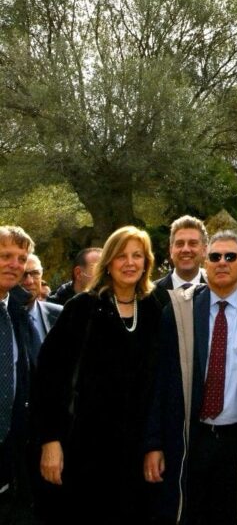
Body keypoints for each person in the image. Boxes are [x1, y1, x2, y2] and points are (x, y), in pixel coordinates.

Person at [35, 225, 162, 525]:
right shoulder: (82, 309)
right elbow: (48, 378)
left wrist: (155, 443)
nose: (130, 263)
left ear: (147, 262)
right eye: (121, 256)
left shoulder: (155, 310)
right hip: (84, 448)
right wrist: (49, 440)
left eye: (137, 256)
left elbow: (160, 384)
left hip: (135, 451)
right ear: (108, 261)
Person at [145, 229, 237, 525]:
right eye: (214, 256)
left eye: (230, 256)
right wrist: (153, 443)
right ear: (205, 262)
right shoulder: (179, 311)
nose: (222, 262)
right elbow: (161, 382)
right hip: (190, 439)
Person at [0, 225, 36, 525]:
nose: (15, 264)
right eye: (6, 255)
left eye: (22, 258)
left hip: (10, 453)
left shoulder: (17, 312)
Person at [154, 214, 208, 304]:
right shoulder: (152, 295)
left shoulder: (218, 291)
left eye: (192, 243)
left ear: (204, 250)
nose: (185, 249)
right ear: (171, 250)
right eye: (180, 244)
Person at [21, 254, 62, 355]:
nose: (29, 281)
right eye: (22, 274)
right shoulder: (4, 318)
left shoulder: (60, 315)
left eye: (35, 273)